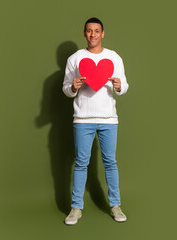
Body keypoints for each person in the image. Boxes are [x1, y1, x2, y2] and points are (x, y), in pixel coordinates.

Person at [62, 17, 129, 225]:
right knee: (81, 163)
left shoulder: (114, 57)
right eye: (89, 31)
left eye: (97, 31)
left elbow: (124, 86)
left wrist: (119, 86)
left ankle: (115, 206)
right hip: (82, 119)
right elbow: (66, 90)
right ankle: (76, 208)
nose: (93, 35)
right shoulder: (75, 59)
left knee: (110, 162)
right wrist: (73, 87)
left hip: (109, 119)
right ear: (84, 33)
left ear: (103, 33)